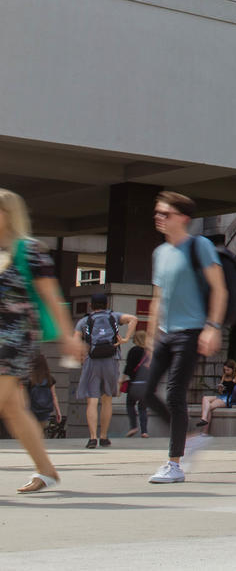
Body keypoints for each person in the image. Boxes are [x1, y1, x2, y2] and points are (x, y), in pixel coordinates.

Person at [1, 188, 86, 493]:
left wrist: (67, 336)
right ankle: (47, 471)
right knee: (13, 410)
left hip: (13, 343)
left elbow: (52, 296)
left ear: (8, 214)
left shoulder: (30, 250)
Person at [141, 191, 227, 485]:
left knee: (175, 395)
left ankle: (174, 464)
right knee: (145, 392)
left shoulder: (199, 246)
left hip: (191, 332)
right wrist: (151, 338)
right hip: (165, 334)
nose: (158, 217)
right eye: (157, 212)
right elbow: (157, 298)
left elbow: (219, 289)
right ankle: (190, 438)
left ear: (183, 218)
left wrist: (213, 327)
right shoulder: (160, 253)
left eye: (165, 213)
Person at [75, 292, 136, 448]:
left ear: (91, 305)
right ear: (107, 304)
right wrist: (125, 339)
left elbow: (75, 340)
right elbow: (133, 319)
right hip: (111, 359)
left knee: (92, 400)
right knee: (107, 399)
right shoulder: (114, 317)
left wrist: (80, 356)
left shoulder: (84, 321)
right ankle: (103, 437)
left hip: (92, 361)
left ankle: (92, 438)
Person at [198, 359, 236, 434]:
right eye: (225, 370)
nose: (226, 371)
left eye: (228, 370)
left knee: (210, 406)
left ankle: (204, 431)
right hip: (222, 396)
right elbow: (220, 392)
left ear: (233, 369)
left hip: (229, 398)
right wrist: (220, 388)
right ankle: (204, 418)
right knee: (205, 398)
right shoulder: (224, 376)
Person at [25, 353, 62, 430]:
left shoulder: (30, 379)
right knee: (40, 431)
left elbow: (24, 397)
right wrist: (58, 411)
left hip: (32, 410)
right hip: (45, 410)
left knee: (31, 431)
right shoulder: (50, 379)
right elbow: (54, 396)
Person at [124, 334, 151, 438]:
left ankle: (133, 427)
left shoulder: (133, 351)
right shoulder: (148, 352)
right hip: (145, 384)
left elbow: (128, 367)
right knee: (143, 408)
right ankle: (144, 431)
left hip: (134, 384)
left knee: (130, 405)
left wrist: (122, 379)